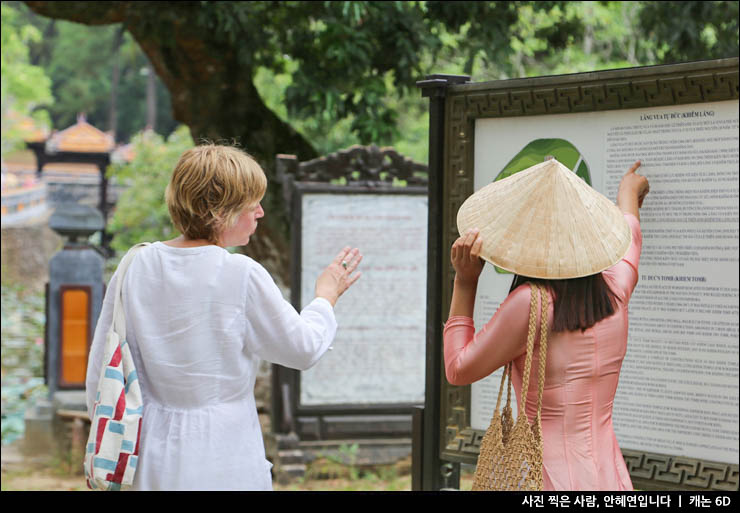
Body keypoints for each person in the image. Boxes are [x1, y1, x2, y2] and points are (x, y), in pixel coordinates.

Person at [85, 144, 362, 491]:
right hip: (222, 447)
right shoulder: (239, 273)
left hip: (148, 445)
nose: (260, 213)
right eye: (252, 205)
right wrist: (326, 296)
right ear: (221, 212)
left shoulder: (136, 264)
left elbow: (100, 367)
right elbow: (302, 349)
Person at [444, 159, 649, 491]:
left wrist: (465, 283)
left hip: (545, 477)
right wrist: (629, 192)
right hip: (610, 477)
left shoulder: (531, 303)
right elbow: (631, 238)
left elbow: (458, 369)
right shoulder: (616, 288)